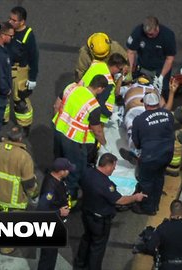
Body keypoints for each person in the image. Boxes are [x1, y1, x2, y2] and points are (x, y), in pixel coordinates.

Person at [74, 153, 146, 270]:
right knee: (98, 247)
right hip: (99, 221)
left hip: (87, 213)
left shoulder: (87, 173)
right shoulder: (106, 185)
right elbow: (120, 200)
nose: (114, 168)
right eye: (114, 166)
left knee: (87, 238)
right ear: (108, 165)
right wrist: (135, 197)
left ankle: (79, 263)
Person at [0, 126, 38, 255]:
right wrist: (33, 195)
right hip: (13, 201)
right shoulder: (24, 157)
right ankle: (6, 248)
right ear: (21, 138)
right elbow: (28, 183)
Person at [52, 74, 108, 206]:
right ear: (100, 88)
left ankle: (54, 185)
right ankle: (69, 199)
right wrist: (105, 143)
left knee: (58, 162)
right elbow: (97, 130)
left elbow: (56, 106)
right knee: (74, 171)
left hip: (58, 130)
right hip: (74, 141)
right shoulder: (93, 105)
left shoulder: (71, 87)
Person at [127, 92, 174, 215]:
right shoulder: (168, 115)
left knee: (146, 181)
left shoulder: (139, 120)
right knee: (159, 178)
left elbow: (136, 143)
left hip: (150, 158)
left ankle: (148, 208)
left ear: (146, 105)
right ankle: (155, 204)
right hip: (167, 155)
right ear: (158, 103)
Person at [5, 6, 40, 136]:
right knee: (3, 95)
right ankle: (3, 120)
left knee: (20, 99)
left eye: (14, 20)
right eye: (10, 18)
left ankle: (24, 126)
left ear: (22, 22)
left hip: (19, 72)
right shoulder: (7, 28)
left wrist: (32, 78)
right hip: (6, 68)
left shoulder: (28, 36)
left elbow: (34, 58)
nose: (10, 21)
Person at [36, 158, 75, 270]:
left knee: (51, 255)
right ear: (61, 171)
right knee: (48, 256)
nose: (69, 171)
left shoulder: (55, 178)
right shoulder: (50, 188)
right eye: (67, 170)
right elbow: (42, 210)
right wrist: (59, 212)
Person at [126, 16, 176, 101]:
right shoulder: (138, 32)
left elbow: (169, 58)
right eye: (147, 34)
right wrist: (130, 69)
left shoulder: (168, 36)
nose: (149, 36)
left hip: (160, 69)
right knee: (137, 88)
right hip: (142, 66)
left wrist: (161, 76)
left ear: (157, 28)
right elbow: (131, 51)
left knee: (162, 93)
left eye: (151, 34)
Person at [146, 200, 182, 270]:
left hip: (167, 267)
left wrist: (158, 256)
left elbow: (150, 247)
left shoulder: (162, 228)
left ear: (171, 212)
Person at [79, 53, 128, 124]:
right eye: (120, 69)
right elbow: (100, 103)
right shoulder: (108, 82)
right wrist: (110, 115)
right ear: (114, 66)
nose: (120, 72)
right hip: (96, 115)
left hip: (80, 98)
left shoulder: (97, 64)